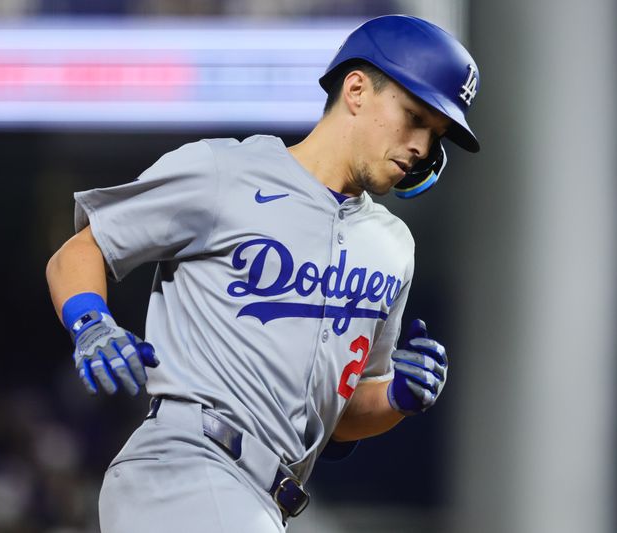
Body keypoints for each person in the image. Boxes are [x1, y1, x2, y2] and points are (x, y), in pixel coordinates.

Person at [45, 14, 479, 533]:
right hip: (184, 470)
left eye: (436, 135)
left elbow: (339, 421)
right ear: (357, 90)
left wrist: (395, 399)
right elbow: (81, 249)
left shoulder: (392, 246)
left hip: (264, 498)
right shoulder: (226, 173)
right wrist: (91, 321)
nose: (423, 148)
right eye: (415, 117)